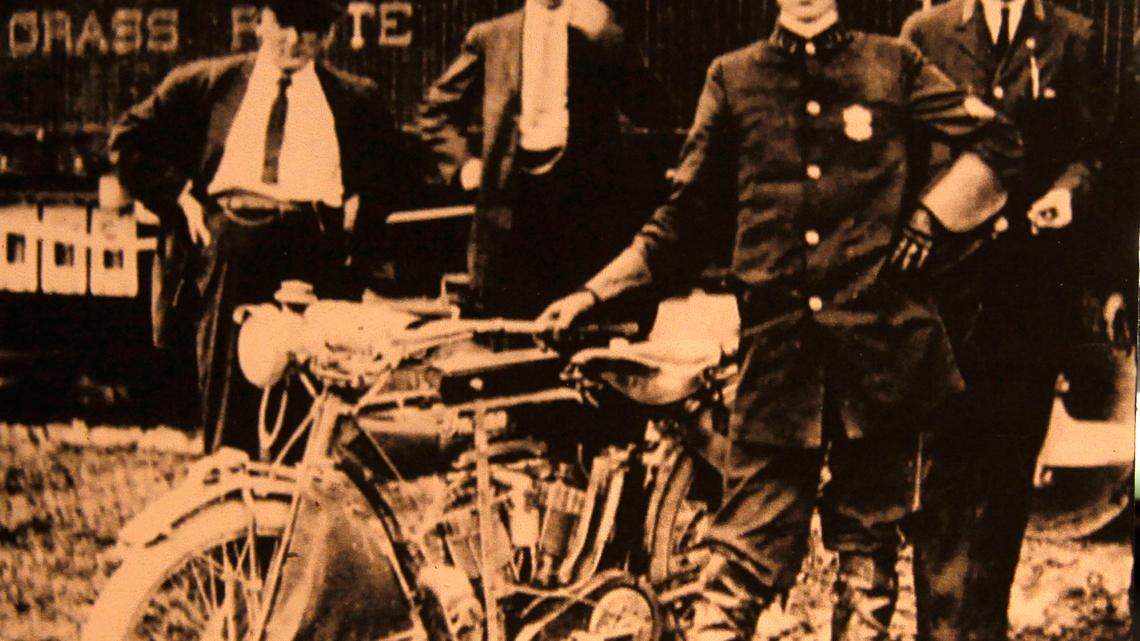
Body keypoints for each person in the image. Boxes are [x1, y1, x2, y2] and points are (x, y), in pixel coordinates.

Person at [539, 0, 1023, 639]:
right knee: (738, 563)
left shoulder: (893, 65)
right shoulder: (734, 77)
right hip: (778, 363)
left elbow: (1000, 142)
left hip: (881, 358)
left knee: (868, 566)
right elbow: (681, 219)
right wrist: (594, 293)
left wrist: (933, 218)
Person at [110, 0, 413, 457]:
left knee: (307, 399)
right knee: (231, 395)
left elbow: (389, 182)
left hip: (313, 251)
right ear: (261, 24)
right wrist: (179, 198)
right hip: (234, 244)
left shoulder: (354, 99)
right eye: (285, 24)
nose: (294, 40)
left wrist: (357, 253)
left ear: (327, 36)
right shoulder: (209, 84)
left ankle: (286, 518)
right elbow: (129, 140)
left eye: (310, 29)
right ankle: (232, 514)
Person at [898, 2, 1105, 639]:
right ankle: (939, 624)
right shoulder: (926, 35)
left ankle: (984, 623)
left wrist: (1068, 192)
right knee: (942, 474)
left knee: (1008, 473)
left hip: (1032, 297)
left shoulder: (1073, 38)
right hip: (946, 299)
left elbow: (1093, 152)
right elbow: (901, 159)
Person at [416, 0, 671, 318]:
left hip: (582, 221)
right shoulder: (492, 36)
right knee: (509, 340)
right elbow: (436, 109)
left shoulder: (599, 37)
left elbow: (655, 110)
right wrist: (463, 164)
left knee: (580, 332)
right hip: (509, 221)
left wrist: (609, 38)